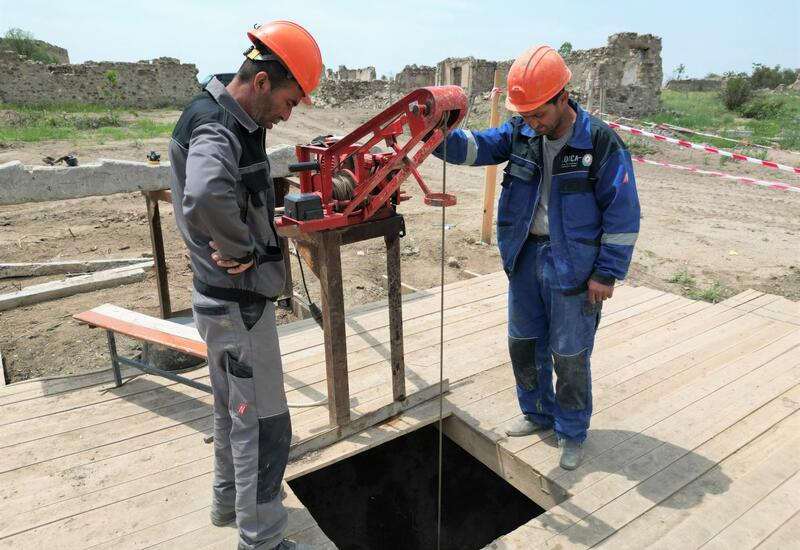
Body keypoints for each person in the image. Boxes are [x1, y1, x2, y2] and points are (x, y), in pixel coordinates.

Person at [434, 45, 640, 470]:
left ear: (563, 97)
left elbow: (623, 213)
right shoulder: (522, 132)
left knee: (570, 354)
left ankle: (571, 431)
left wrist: (607, 273)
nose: (531, 122)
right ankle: (537, 412)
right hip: (527, 256)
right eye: (524, 115)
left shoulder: (599, 143)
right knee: (524, 344)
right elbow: (476, 148)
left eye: (538, 114)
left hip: (575, 266)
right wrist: (433, 135)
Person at [169, 20, 323, 550]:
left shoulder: (215, 113)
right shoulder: (219, 126)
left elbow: (220, 192)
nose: (288, 115)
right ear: (261, 82)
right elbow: (206, 192)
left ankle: (226, 503)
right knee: (264, 425)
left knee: (230, 410)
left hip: (216, 302)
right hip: (239, 307)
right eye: (288, 101)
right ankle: (262, 539)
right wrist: (241, 250)